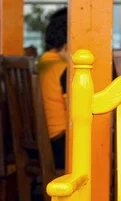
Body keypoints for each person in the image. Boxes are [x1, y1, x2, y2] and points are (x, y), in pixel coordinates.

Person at [37, 8, 68, 170]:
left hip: (40, 142)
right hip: (59, 145)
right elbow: (75, 112)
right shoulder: (63, 69)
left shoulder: (41, 64)